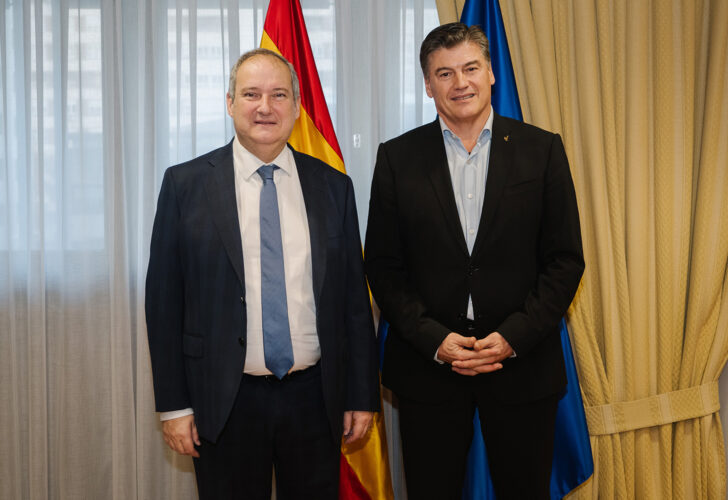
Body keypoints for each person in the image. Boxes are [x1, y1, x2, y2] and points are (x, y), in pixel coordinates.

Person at [145, 48, 379, 500]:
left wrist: (361, 395)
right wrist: (174, 405)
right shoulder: (184, 185)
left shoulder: (334, 187)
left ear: (295, 106)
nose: (265, 107)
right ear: (230, 102)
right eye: (251, 94)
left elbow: (353, 300)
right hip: (224, 400)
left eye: (278, 94)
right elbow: (163, 304)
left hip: (316, 398)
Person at [364, 23, 584, 499]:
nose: (459, 83)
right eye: (444, 73)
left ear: (491, 74)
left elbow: (565, 260)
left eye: (470, 68)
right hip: (429, 369)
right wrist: (435, 340)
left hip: (522, 366)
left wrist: (512, 338)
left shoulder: (542, 150)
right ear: (428, 85)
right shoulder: (397, 158)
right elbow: (383, 267)